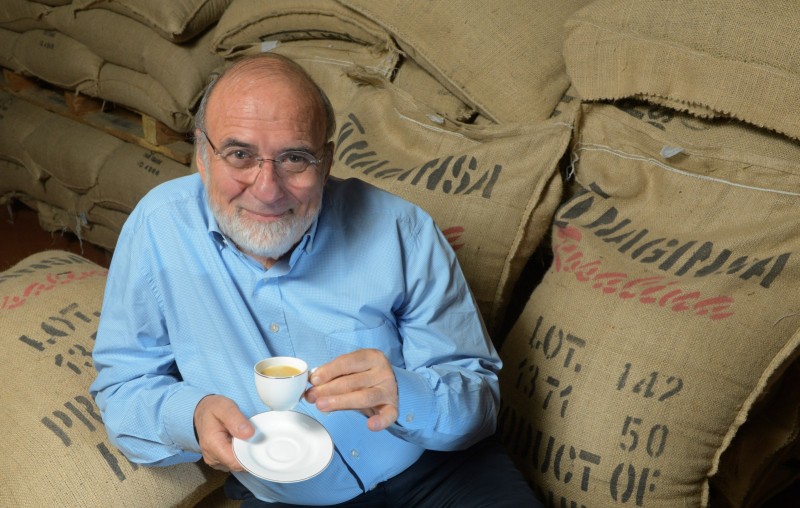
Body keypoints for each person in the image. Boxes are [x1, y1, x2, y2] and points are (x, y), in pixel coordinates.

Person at [90, 53, 542, 507]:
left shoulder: (402, 230)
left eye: (295, 159)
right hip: (290, 498)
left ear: (325, 162)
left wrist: (407, 395)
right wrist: (190, 417)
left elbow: (479, 403)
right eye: (240, 154)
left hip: (439, 470)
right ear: (202, 156)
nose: (267, 189)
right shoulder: (157, 228)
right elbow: (123, 386)